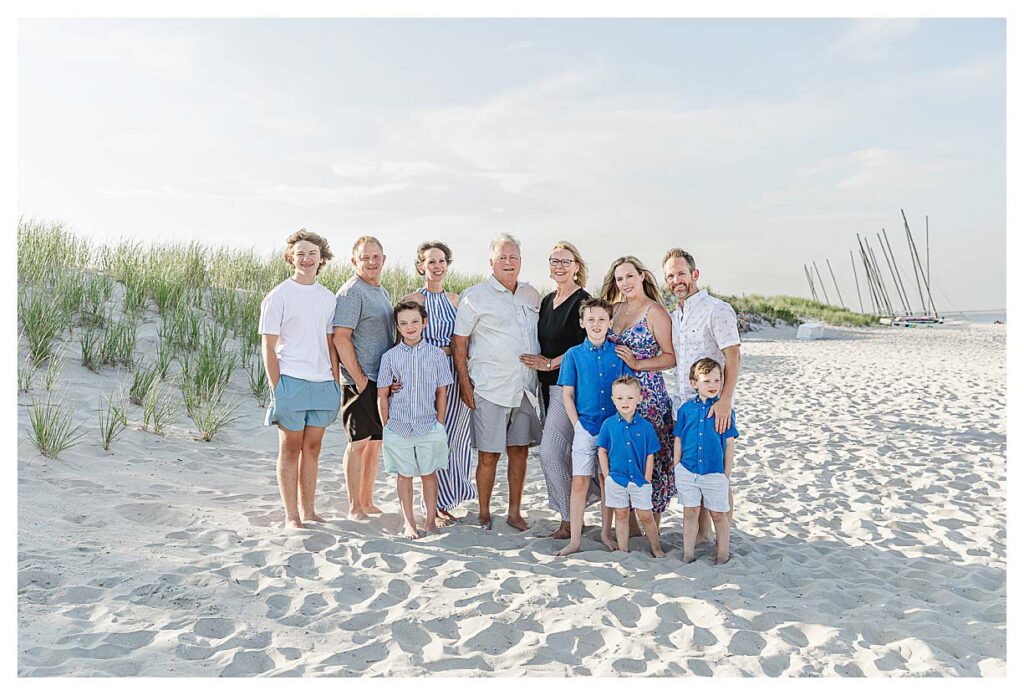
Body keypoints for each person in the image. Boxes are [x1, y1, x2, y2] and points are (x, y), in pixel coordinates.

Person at [452, 233, 542, 531]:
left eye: (513, 257)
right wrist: (465, 384)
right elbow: (459, 343)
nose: (508, 262)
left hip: (525, 389)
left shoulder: (532, 295)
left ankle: (514, 512)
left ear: (520, 261)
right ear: (491, 261)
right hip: (489, 388)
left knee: (520, 450)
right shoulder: (474, 296)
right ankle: (483, 512)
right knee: (489, 454)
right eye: (502, 257)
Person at [259, 229, 341, 529]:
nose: (306, 259)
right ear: (290, 257)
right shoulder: (278, 296)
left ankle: (309, 511)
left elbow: (332, 343)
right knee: (290, 447)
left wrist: (335, 381)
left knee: (313, 449)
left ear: (322, 259)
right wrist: (276, 387)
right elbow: (268, 346)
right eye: (301, 253)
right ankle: (291, 515)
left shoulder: (328, 298)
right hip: (291, 380)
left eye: (312, 254)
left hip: (323, 382)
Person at [662, 248, 741, 536]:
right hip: (685, 408)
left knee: (717, 474)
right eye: (670, 276)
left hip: (714, 406)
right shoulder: (675, 316)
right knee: (695, 472)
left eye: (681, 273)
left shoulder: (716, 309)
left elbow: (732, 355)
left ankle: (725, 538)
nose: (676, 280)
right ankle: (705, 535)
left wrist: (724, 402)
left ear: (695, 274)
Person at [398, 241, 476, 524]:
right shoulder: (413, 299)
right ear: (421, 266)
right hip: (422, 374)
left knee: (455, 437)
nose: (437, 266)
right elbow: (400, 339)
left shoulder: (457, 300)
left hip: (454, 373)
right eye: (431, 261)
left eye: (442, 260)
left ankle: (446, 501)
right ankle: (430, 504)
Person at [520, 241, 590, 539]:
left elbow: (585, 343)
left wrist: (551, 363)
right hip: (545, 387)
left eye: (566, 261)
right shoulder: (548, 300)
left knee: (550, 452)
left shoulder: (583, 301)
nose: (559, 266)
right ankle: (571, 516)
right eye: (554, 261)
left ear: (577, 266)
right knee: (560, 453)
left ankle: (569, 519)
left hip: (570, 386)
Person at [601, 256, 676, 528]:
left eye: (630, 276)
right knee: (622, 457)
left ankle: (651, 524)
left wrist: (638, 364)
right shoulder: (615, 308)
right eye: (620, 278)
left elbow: (670, 357)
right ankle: (631, 526)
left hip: (649, 397)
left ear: (642, 276)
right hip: (620, 396)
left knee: (650, 459)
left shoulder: (655, 311)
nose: (625, 283)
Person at [554, 297, 634, 556]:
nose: (596, 324)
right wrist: (577, 425)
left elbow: (628, 390)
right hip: (585, 428)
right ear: (582, 323)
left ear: (610, 322)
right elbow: (567, 394)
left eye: (602, 319)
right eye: (591, 320)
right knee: (579, 482)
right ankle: (575, 540)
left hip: (612, 429)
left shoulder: (618, 353)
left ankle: (604, 534)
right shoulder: (573, 355)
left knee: (607, 480)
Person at [377, 301, 453, 539]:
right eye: (403, 323)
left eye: (414, 322)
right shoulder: (390, 357)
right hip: (398, 426)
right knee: (404, 475)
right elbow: (382, 392)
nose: (409, 327)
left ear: (424, 323)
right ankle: (409, 523)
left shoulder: (437, 355)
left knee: (429, 473)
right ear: (398, 327)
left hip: (428, 424)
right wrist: (386, 424)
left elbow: (442, 391)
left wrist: (439, 422)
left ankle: (430, 521)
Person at [333, 236, 395, 520]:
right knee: (358, 444)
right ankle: (354, 506)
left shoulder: (379, 290)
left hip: (381, 382)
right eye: (365, 257)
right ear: (354, 261)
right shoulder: (351, 292)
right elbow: (342, 338)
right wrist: (358, 378)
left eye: (376, 256)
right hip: (360, 380)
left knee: (374, 444)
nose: (372, 262)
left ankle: (367, 501)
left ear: (383, 259)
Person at [673, 358, 738, 564]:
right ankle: (688, 554)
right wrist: (677, 466)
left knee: (718, 514)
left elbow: (729, 445)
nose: (713, 386)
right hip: (688, 470)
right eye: (707, 381)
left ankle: (722, 553)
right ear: (694, 383)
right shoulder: (685, 410)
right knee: (690, 512)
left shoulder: (724, 411)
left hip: (714, 471)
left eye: (717, 381)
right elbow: (679, 439)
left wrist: (725, 474)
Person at [598, 376, 665, 557]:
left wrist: (647, 478)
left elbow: (651, 454)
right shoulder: (608, 425)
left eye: (629, 398)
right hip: (616, 479)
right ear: (613, 400)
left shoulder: (646, 427)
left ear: (639, 398)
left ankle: (656, 547)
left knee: (645, 515)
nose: (625, 402)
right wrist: (607, 475)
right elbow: (602, 450)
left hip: (639, 480)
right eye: (620, 398)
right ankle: (623, 549)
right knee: (621, 514)